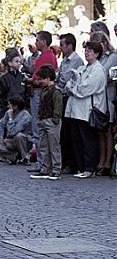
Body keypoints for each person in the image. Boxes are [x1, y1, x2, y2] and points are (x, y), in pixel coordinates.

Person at [64, 41, 106, 178]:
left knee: (88, 140)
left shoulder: (98, 70)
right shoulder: (83, 68)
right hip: (75, 110)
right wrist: (72, 87)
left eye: (90, 51)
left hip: (87, 111)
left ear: (97, 54)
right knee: (77, 140)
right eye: (86, 50)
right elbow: (70, 83)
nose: (87, 53)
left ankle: (89, 168)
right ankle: (80, 167)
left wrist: (73, 88)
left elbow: (86, 88)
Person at [25, 30, 58, 173]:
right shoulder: (43, 56)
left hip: (39, 93)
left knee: (38, 128)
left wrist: (30, 81)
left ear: (44, 41)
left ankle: (42, 162)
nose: (36, 43)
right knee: (38, 129)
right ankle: (42, 161)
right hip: (37, 92)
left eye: (38, 40)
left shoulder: (47, 57)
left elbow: (42, 79)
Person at [89, 31, 117, 175]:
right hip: (99, 98)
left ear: (104, 43)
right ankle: (101, 161)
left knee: (107, 131)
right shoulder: (96, 59)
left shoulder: (112, 57)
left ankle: (107, 162)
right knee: (100, 131)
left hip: (109, 97)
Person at [56, 33, 84, 174]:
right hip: (61, 96)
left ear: (70, 46)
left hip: (69, 98)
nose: (61, 48)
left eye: (62, 45)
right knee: (63, 132)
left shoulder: (77, 61)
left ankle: (71, 163)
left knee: (69, 132)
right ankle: (64, 161)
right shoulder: (64, 61)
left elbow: (69, 79)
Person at [29, 65, 63, 180]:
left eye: (42, 79)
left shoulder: (56, 91)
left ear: (48, 78)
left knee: (54, 146)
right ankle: (46, 167)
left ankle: (56, 168)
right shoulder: (45, 90)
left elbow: (58, 107)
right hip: (43, 120)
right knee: (44, 146)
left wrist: (55, 119)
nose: (40, 81)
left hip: (51, 121)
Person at [0, 96, 33, 165]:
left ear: (16, 106)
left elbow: (13, 131)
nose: (8, 106)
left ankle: (25, 157)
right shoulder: (8, 113)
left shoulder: (25, 117)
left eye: (10, 105)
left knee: (19, 136)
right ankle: (14, 157)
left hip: (24, 141)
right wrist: (0, 138)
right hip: (10, 140)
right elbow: (0, 125)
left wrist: (10, 119)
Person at [0, 48, 25, 121]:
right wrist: (6, 105)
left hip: (21, 110)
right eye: (16, 61)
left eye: (20, 62)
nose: (19, 64)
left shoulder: (22, 77)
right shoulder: (3, 78)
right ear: (10, 63)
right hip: (7, 109)